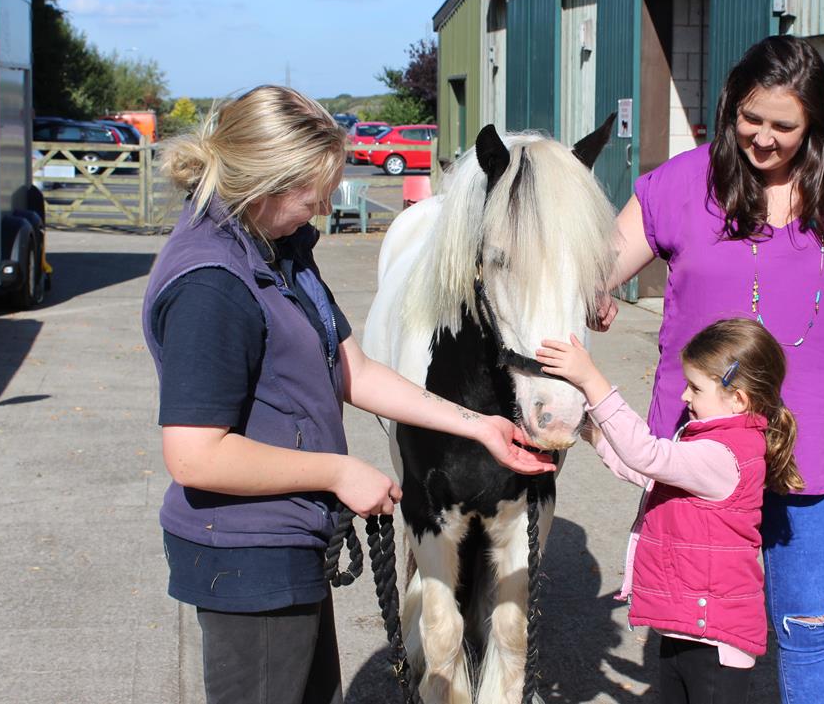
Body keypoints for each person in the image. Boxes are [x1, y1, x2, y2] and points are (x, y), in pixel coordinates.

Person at [140, 85, 552, 704]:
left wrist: (476, 424)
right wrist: (338, 471)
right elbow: (194, 455)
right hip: (246, 555)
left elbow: (351, 367)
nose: (328, 204)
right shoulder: (211, 285)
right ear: (269, 180)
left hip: (288, 542)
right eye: (316, 189)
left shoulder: (277, 251)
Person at [592, 36, 824, 704]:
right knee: (695, 632)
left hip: (815, 446)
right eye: (748, 118)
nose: (761, 138)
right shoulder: (682, 182)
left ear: (814, 121)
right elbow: (598, 266)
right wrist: (595, 293)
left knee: (807, 628)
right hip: (699, 445)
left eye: (782, 126)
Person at [537, 319, 804, 704]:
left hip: (715, 644)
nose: (684, 397)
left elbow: (646, 454)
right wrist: (588, 428)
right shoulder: (709, 442)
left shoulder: (725, 455)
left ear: (739, 399)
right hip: (686, 630)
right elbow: (646, 471)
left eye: (696, 387)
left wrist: (592, 381)